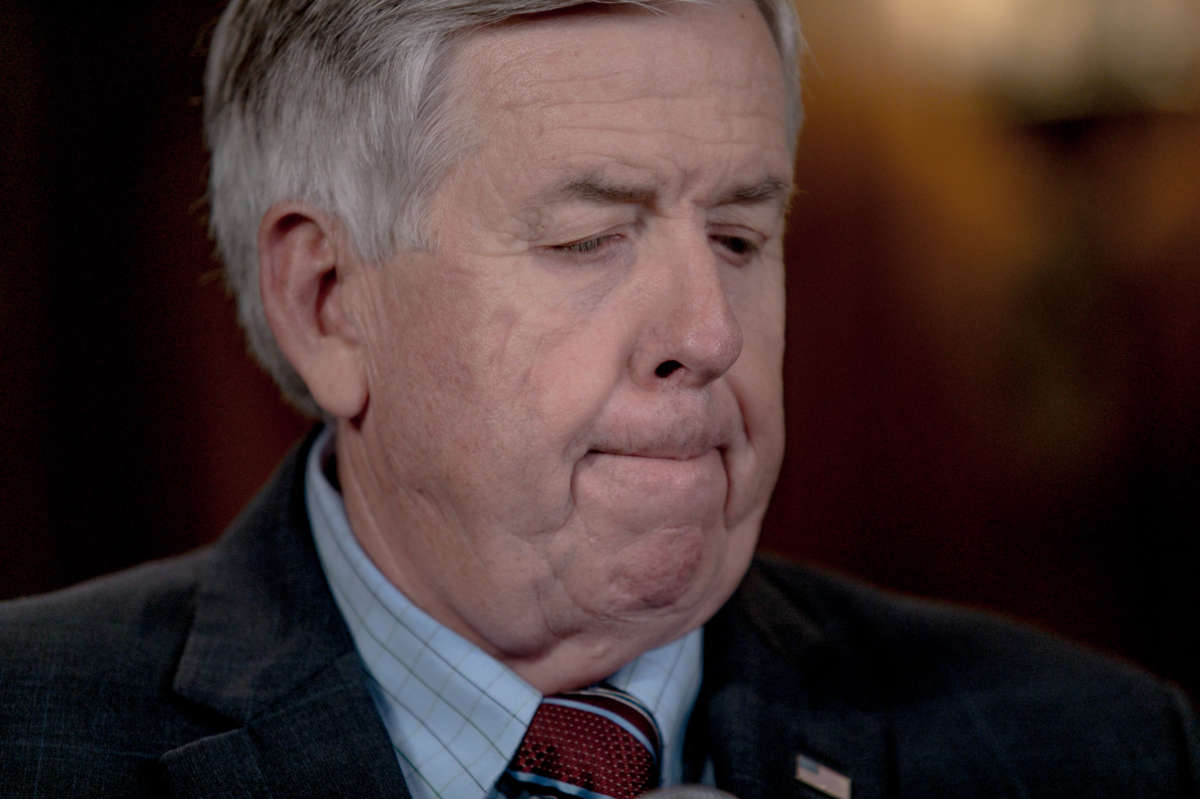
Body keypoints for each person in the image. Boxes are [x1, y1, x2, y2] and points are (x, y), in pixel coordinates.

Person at [1, 1, 1196, 796]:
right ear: (327, 302)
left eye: (741, 234)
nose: (709, 334)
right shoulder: (31, 734)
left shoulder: (1097, 753)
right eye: (589, 239)